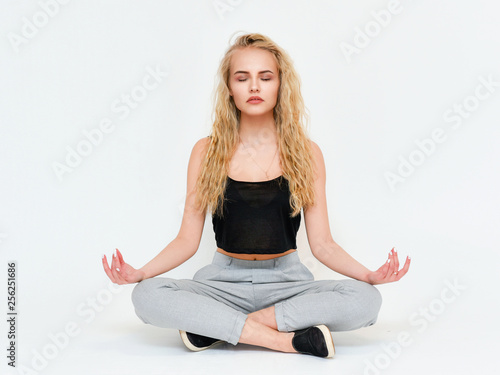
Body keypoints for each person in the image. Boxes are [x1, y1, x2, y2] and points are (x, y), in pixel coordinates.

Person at [102, 32, 411, 359]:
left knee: (366, 301)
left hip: (288, 284)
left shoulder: (307, 152)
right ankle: (285, 340)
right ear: (229, 88)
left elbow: (322, 245)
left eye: (265, 77)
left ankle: (219, 328)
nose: (254, 86)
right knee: (146, 296)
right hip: (222, 283)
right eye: (242, 77)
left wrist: (369, 275)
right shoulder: (206, 151)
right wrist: (140, 273)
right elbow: (186, 240)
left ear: (280, 85)